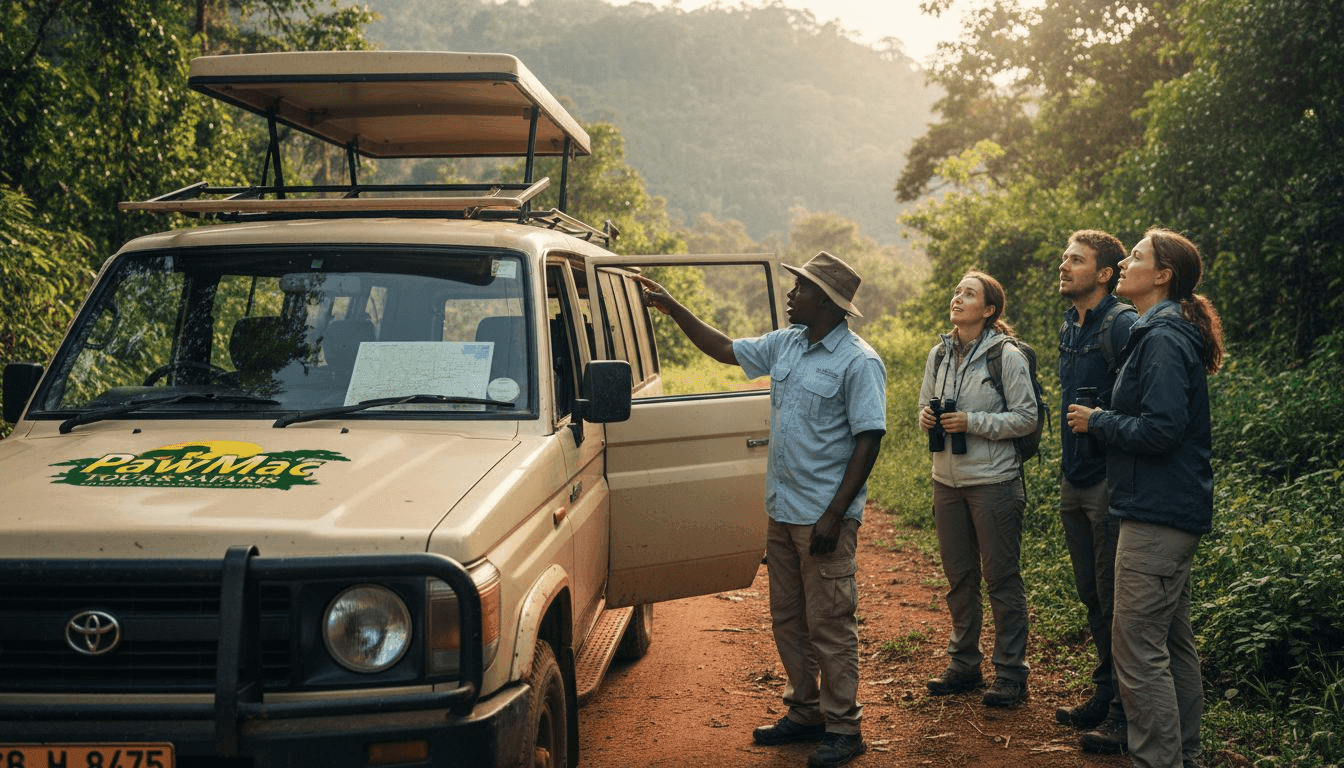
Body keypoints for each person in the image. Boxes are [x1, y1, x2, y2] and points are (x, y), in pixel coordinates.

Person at [636, 252, 886, 768]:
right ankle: (805, 711)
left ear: (828, 303)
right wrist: (673, 308)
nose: (791, 295)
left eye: (801, 289)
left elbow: (868, 439)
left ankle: (844, 727)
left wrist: (835, 514)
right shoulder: (788, 344)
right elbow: (725, 348)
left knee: (831, 623)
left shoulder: (859, 361)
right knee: (789, 618)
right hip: (784, 509)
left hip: (823, 517)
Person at [1067, 228, 1223, 768]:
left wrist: (1100, 421)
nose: (1127, 261)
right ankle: (1185, 754)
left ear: (1162, 275)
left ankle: (1157, 758)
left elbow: (1161, 430)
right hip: (1167, 509)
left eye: (1137, 256)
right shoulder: (1164, 330)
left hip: (1156, 513)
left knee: (1136, 648)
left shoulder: (1160, 338)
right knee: (1171, 642)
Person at [919, 270, 1037, 707]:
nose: (958, 297)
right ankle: (964, 665)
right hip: (945, 482)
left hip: (994, 483)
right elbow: (922, 407)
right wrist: (928, 420)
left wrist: (973, 422)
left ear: (988, 310)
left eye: (969, 293)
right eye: (956, 291)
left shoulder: (1005, 356)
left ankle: (1010, 674)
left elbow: (1027, 417)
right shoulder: (939, 354)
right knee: (959, 577)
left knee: (1001, 577)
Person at [1054, 230, 1138, 744]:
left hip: (1109, 479)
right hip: (1074, 474)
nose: (1064, 265)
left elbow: (1142, 402)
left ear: (1105, 273)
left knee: (1115, 599)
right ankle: (1105, 691)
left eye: (1077, 260)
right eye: (1065, 256)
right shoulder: (1070, 324)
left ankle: (1126, 718)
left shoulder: (1122, 325)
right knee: (1091, 592)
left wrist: (1101, 420)